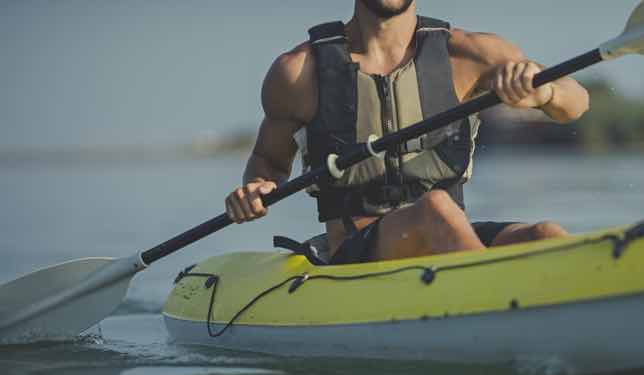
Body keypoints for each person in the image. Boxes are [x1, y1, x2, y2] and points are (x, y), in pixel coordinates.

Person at [225, 0, 589, 264]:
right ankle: (498, 304)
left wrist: (547, 92)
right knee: (435, 210)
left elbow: (576, 102)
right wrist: (256, 188)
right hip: (356, 250)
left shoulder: (469, 53)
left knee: (545, 235)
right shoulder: (298, 72)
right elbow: (268, 161)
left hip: (448, 235)